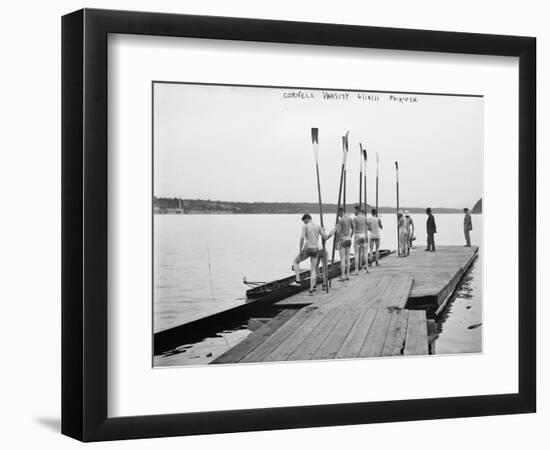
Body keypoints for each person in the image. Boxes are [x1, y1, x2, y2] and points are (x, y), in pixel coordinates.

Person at [289, 214, 330, 293]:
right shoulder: (318, 226)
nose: (304, 223)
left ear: (307, 219)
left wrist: (300, 250)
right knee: (313, 269)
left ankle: (297, 281)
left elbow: (302, 238)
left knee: (295, 262)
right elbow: (325, 237)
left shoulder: (306, 226)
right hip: (316, 249)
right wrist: (326, 231)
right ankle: (311, 289)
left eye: (304, 221)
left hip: (308, 248)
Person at [333, 207, 354, 281]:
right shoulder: (350, 218)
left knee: (342, 259)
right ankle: (348, 275)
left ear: (341, 212)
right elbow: (353, 228)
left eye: (338, 213)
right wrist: (350, 236)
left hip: (342, 240)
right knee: (347, 258)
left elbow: (338, 233)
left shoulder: (341, 220)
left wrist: (336, 243)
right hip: (348, 240)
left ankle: (343, 276)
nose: (338, 214)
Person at [352, 205, 369, 274]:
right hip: (363, 235)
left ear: (357, 210)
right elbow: (367, 225)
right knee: (365, 253)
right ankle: (367, 268)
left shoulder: (355, 218)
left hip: (357, 235)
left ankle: (356, 270)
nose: (354, 211)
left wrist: (350, 236)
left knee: (356, 254)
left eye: (355, 210)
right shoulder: (364, 217)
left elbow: (354, 229)